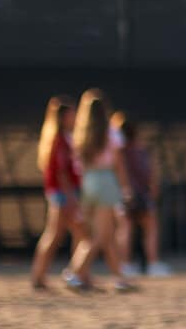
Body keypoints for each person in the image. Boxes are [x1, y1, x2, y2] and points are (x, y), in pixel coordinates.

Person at [68, 89, 136, 293]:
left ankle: (119, 278)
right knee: (101, 234)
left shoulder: (80, 133)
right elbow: (119, 163)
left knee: (104, 235)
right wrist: (125, 188)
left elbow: (78, 165)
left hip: (88, 181)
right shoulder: (111, 132)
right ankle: (76, 272)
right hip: (106, 180)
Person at [28, 96, 83, 291]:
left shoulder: (61, 138)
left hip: (62, 192)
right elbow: (61, 172)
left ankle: (44, 274)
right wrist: (71, 197)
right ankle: (74, 274)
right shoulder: (59, 140)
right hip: (63, 193)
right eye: (72, 114)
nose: (75, 118)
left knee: (70, 234)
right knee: (60, 235)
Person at [114, 113, 168, 277]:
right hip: (142, 195)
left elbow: (118, 172)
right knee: (150, 228)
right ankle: (153, 263)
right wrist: (153, 190)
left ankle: (126, 264)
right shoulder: (140, 151)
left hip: (124, 194)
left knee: (125, 229)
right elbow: (150, 173)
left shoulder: (118, 152)